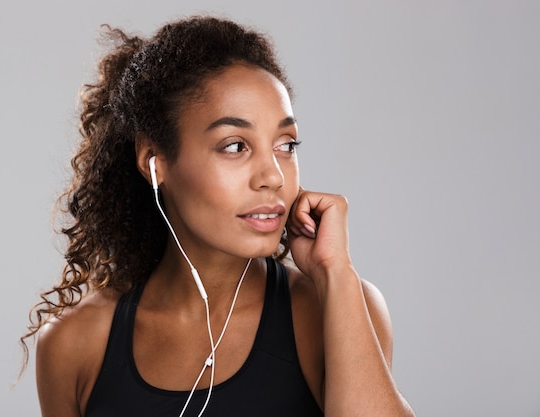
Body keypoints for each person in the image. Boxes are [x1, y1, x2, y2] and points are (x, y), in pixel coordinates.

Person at [21, 15, 416, 417]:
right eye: (234, 146)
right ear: (155, 162)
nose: (273, 177)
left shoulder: (337, 307)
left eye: (286, 144)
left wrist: (336, 272)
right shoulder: (76, 343)